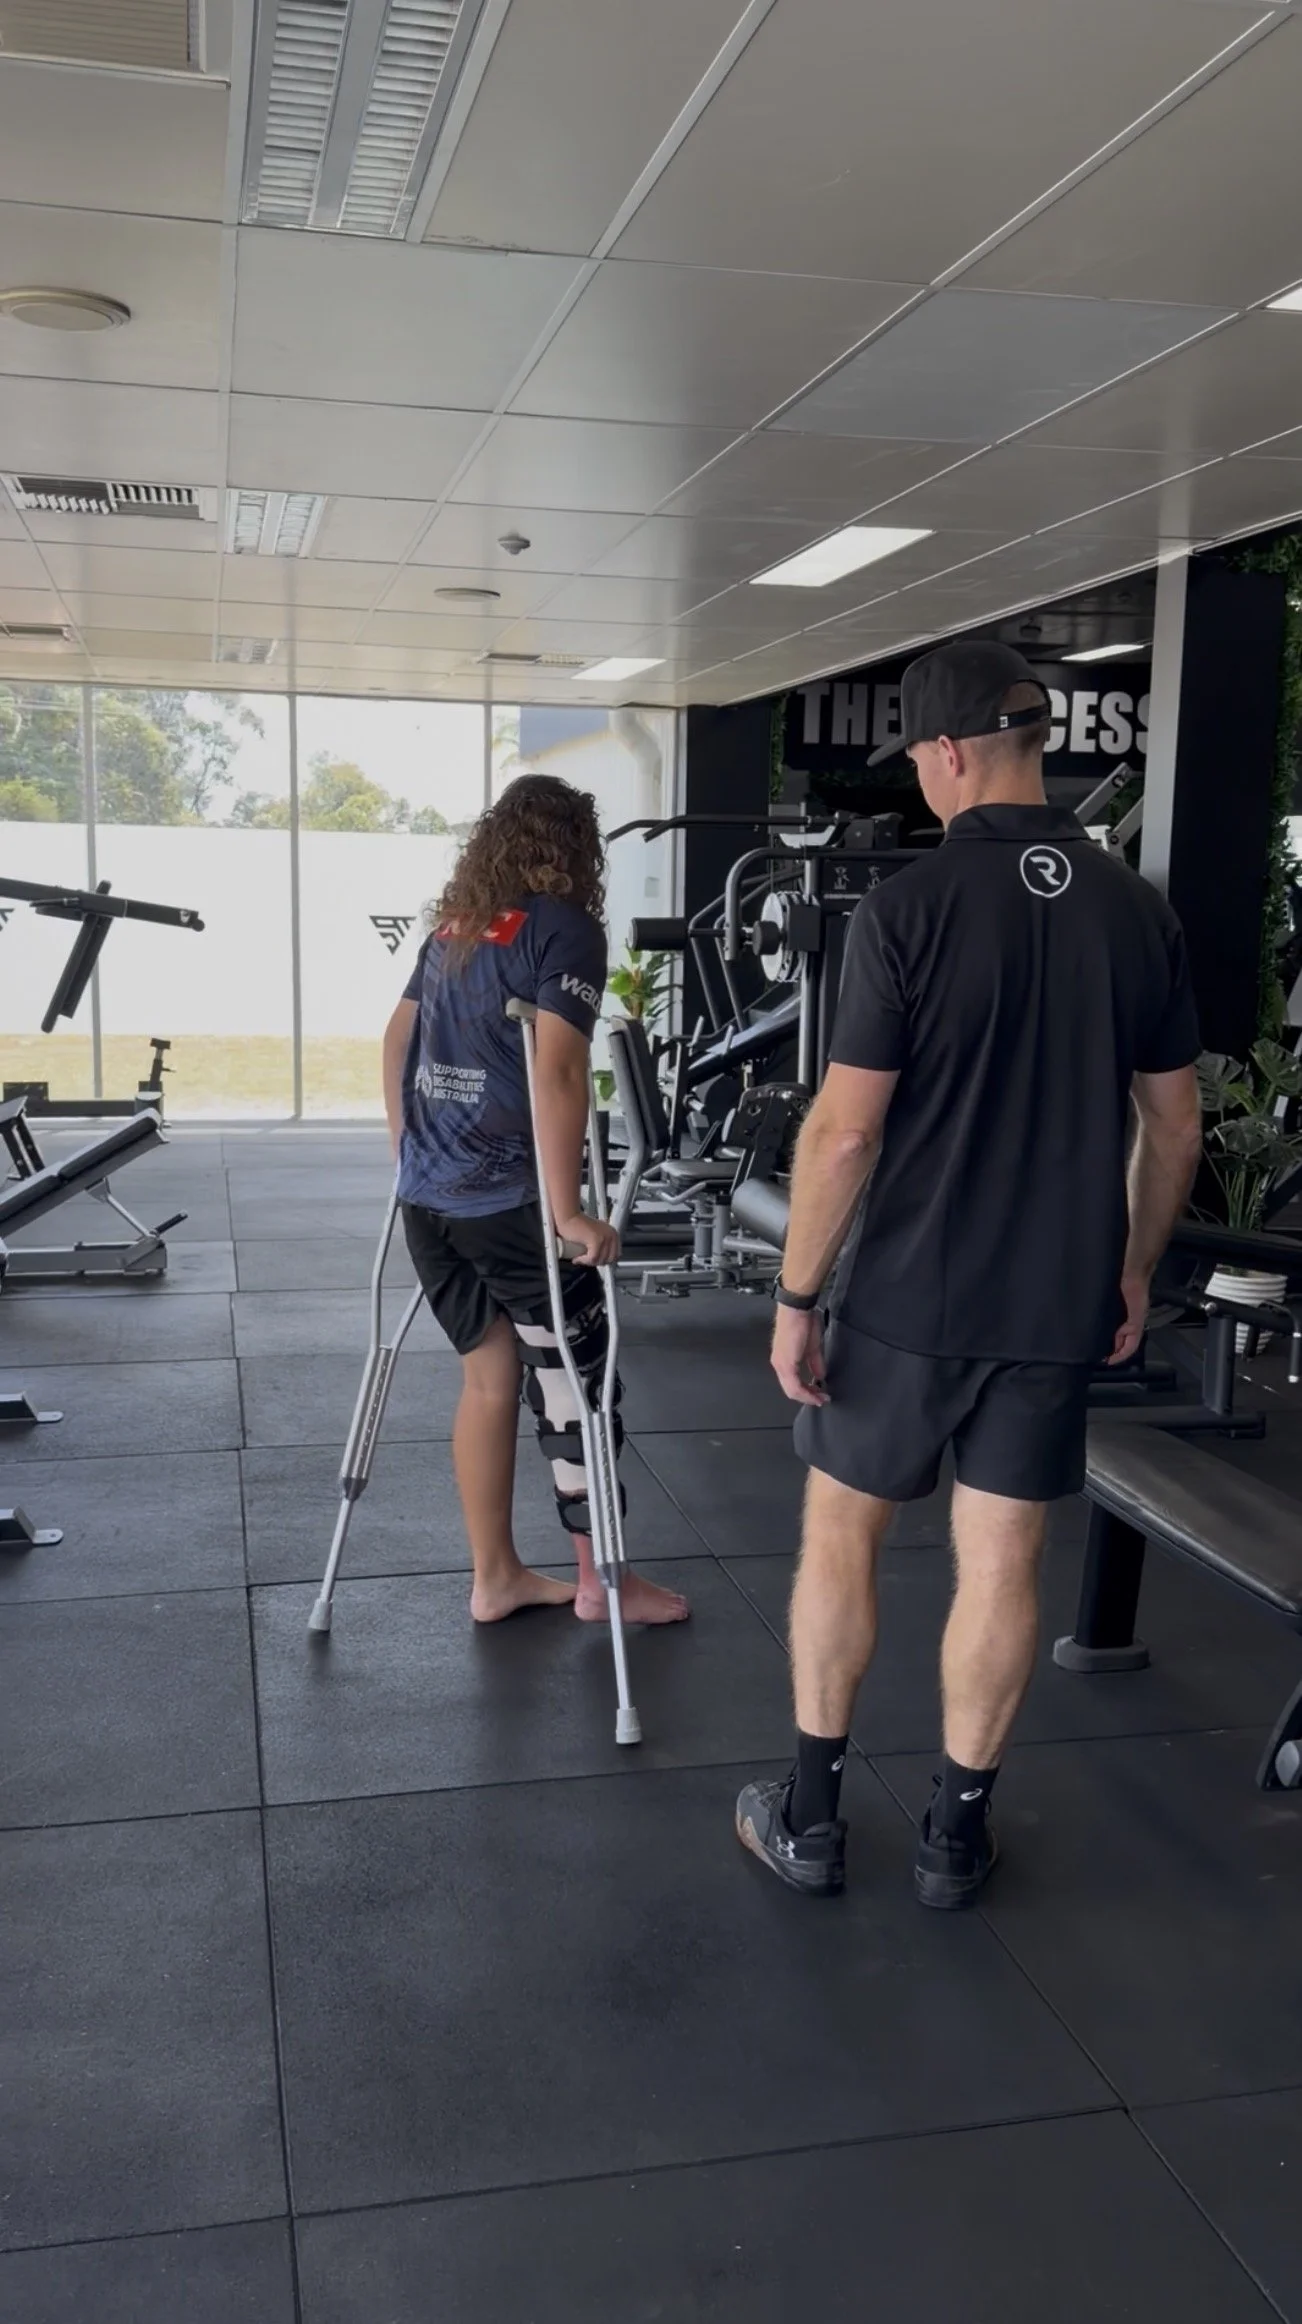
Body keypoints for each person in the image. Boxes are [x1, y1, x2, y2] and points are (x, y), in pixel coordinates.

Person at [736, 639, 1202, 1906]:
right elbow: (1176, 1124)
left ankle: (816, 1820)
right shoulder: (1135, 910)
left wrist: (792, 1297)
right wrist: (1133, 1270)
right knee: (1002, 1562)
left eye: (920, 763)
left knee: (844, 1533)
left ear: (947, 753)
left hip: (907, 1298)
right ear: (1032, 743)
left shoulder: (911, 909)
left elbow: (841, 1131)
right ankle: (953, 1835)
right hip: (1054, 1301)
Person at [382, 773, 689, 1628]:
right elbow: (557, 1071)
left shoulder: (457, 927)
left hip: (431, 1202)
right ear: (576, 848)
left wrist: (407, 1149)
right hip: (508, 1205)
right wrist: (567, 1212)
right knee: (576, 1383)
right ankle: (601, 1585)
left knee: (488, 1383)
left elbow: (397, 1038)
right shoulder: (564, 931)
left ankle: (498, 1578)